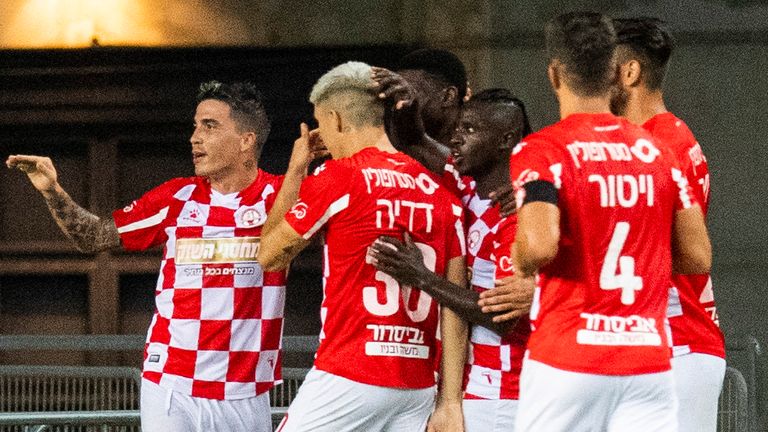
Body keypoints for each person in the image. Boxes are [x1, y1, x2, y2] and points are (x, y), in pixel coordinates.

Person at [6, 81, 290, 432]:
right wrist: (52, 190)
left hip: (246, 391)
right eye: (195, 125)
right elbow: (93, 237)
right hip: (171, 383)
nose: (194, 137)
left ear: (246, 140)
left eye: (209, 126)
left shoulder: (282, 195)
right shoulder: (177, 198)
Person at [478, 12, 712, 431]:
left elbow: (539, 246)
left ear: (554, 75)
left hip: (569, 357)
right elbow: (697, 255)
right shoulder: (657, 151)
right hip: (647, 359)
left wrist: (523, 257)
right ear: (612, 74)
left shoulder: (544, 148)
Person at [257, 61, 468, 432]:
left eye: (321, 123)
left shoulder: (340, 176)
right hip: (417, 384)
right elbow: (456, 301)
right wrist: (449, 401)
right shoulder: (440, 192)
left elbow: (269, 256)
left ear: (336, 119)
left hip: (351, 374)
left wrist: (296, 170)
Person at [369, 88, 534, 431]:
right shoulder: (469, 190)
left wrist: (423, 278)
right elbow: (415, 140)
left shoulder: (516, 218)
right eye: (458, 127)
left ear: (505, 140)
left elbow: (502, 318)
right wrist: (406, 99)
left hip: (506, 394)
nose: (456, 139)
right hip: (474, 388)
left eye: (470, 130)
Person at [611, 16, 726, 432]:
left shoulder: (661, 145)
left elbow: (688, 255)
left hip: (680, 343)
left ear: (630, 71)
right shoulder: (664, 135)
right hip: (662, 345)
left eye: (601, 68)